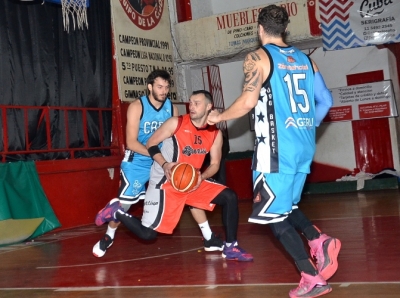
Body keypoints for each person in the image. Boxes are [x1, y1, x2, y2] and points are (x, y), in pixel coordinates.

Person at [207, 5, 340, 298]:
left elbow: (247, 102)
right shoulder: (306, 60)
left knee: (272, 218)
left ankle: (310, 275)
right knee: (287, 208)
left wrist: (219, 117)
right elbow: (326, 100)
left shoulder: (258, 57)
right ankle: (319, 240)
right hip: (304, 147)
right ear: (285, 29)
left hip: (276, 151)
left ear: (259, 29)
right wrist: (306, 125)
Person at [95, 90, 253, 262]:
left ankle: (231, 246)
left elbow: (215, 164)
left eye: (197, 103)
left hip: (191, 180)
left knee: (229, 196)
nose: (191, 106)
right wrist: (165, 164)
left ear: (209, 106)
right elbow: (151, 143)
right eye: (190, 102)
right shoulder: (175, 123)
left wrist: (202, 176)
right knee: (148, 234)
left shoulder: (215, 134)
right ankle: (116, 212)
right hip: (166, 182)